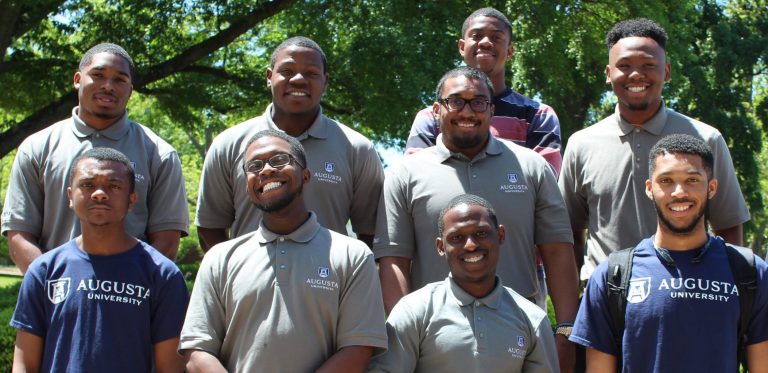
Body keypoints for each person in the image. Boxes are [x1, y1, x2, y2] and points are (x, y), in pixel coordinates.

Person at [375, 66, 579, 372]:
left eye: (478, 102)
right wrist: (402, 336)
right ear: (436, 109)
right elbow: (393, 260)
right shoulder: (405, 175)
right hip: (433, 338)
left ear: (492, 110)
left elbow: (557, 250)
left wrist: (565, 330)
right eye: (455, 101)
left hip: (521, 337)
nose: (467, 111)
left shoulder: (532, 168)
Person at [180, 130, 387, 372]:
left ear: (306, 175)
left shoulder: (353, 256)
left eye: (280, 160)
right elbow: (197, 351)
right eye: (254, 166)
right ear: (247, 187)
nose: (266, 170)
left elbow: (358, 350)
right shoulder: (219, 259)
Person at [558, 18, 749, 277]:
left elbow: (729, 227)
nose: (636, 74)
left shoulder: (706, 139)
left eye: (648, 65)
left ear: (667, 72)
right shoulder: (581, 144)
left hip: (689, 295)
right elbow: (567, 235)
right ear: (608, 73)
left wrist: (726, 296)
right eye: (624, 66)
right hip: (607, 304)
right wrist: (571, 315)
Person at [570, 134, 768, 372]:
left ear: (712, 187)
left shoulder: (751, 273)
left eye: (692, 179)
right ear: (649, 188)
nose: (678, 192)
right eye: (666, 180)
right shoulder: (611, 278)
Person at [406, 7, 561, 309]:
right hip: (439, 282)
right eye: (476, 36)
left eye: (496, 37)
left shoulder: (538, 115)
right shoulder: (429, 117)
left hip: (519, 281)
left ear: (511, 50)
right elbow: (422, 183)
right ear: (462, 47)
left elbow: (544, 194)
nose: (486, 42)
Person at [1, 43, 189, 272]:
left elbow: (167, 242)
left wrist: (128, 291)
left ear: (130, 90)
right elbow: (19, 235)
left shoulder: (160, 154)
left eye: (120, 80)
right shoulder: (36, 148)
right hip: (53, 298)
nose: (108, 86)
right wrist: (51, 286)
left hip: (130, 298)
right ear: (78, 79)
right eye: (98, 75)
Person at [195, 36, 383, 251]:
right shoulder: (228, 145)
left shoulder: (357, 149)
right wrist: (232, 273)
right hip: (248, 283)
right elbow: (210, 227)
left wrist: (347, 275)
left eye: (312, 73)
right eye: (287, 71)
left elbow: (372, 232)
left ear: (325, 81)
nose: (299, 79)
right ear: (269, 77)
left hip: (329, 281)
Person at [10, 147, 189, 372]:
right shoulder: (44, 271)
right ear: (70, 197)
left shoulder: (162, 274)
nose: (99, 194)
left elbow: (170, 368)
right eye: (87, 185)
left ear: (131, 200)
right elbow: (24, 364)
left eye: (114, 186)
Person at [370, 194, 560, 373]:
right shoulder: (414, 311)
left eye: (481, 233)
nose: (470, 245)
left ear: (500, 235)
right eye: (457, 238)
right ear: (440, 247)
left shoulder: (532, 319)